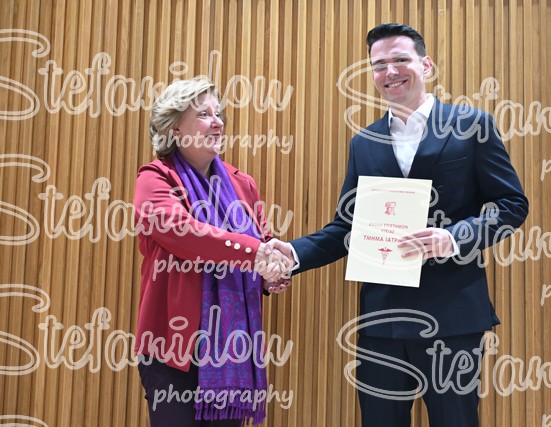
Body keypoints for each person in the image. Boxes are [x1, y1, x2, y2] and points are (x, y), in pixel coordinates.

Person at [266, 23, 528, 427]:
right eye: (379, 64)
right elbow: (347, 227)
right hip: (381, 320)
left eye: (401, 59)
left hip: (453, 316)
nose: (390, 72)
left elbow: (511, 205)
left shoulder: (472, 126)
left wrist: (454, 238)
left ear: (426, 65)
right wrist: (294, 252)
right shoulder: (363, 142)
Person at [133, 77, 290, 427]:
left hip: (232, 349)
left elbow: (263, 243)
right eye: (204, 114)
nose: (217, 122)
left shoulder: (242, 183)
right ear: (174, 129)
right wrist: (257, 253)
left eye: (218, 114)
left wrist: (273, 273)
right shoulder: (155, 179)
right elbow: (185, 234)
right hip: (173, 350)